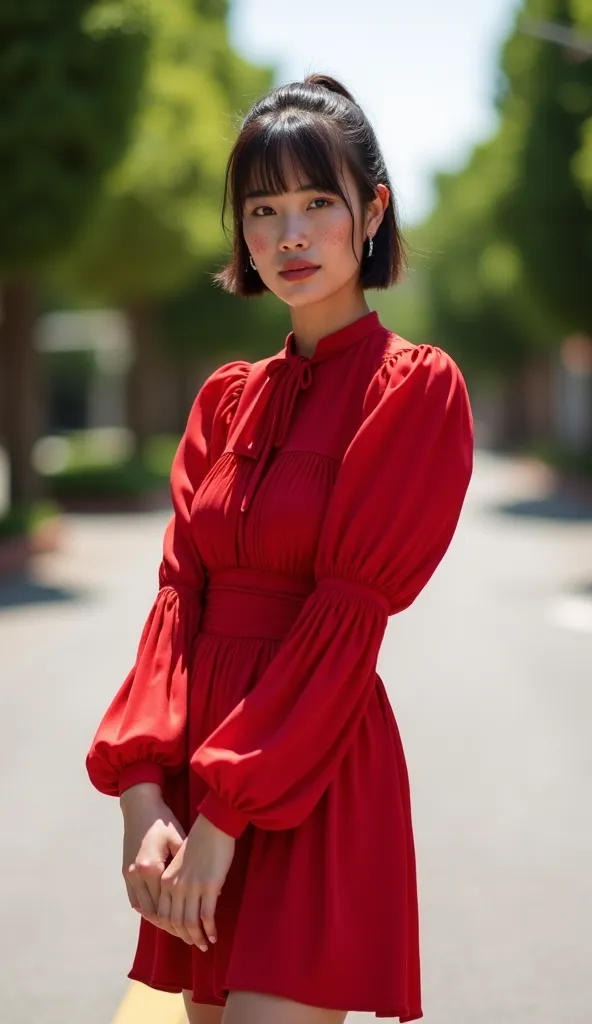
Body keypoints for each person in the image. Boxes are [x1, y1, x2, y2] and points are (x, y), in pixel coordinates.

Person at [85, 73, 474, 1024]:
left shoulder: (415, 392)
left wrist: (227, 815)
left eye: (316, 203)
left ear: (371, 211)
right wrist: (144, 795)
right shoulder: (223, 399)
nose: (289, 236)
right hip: (192, 786)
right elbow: (178, 600)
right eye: (263, 210)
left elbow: (347, 622)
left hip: (311, 776)